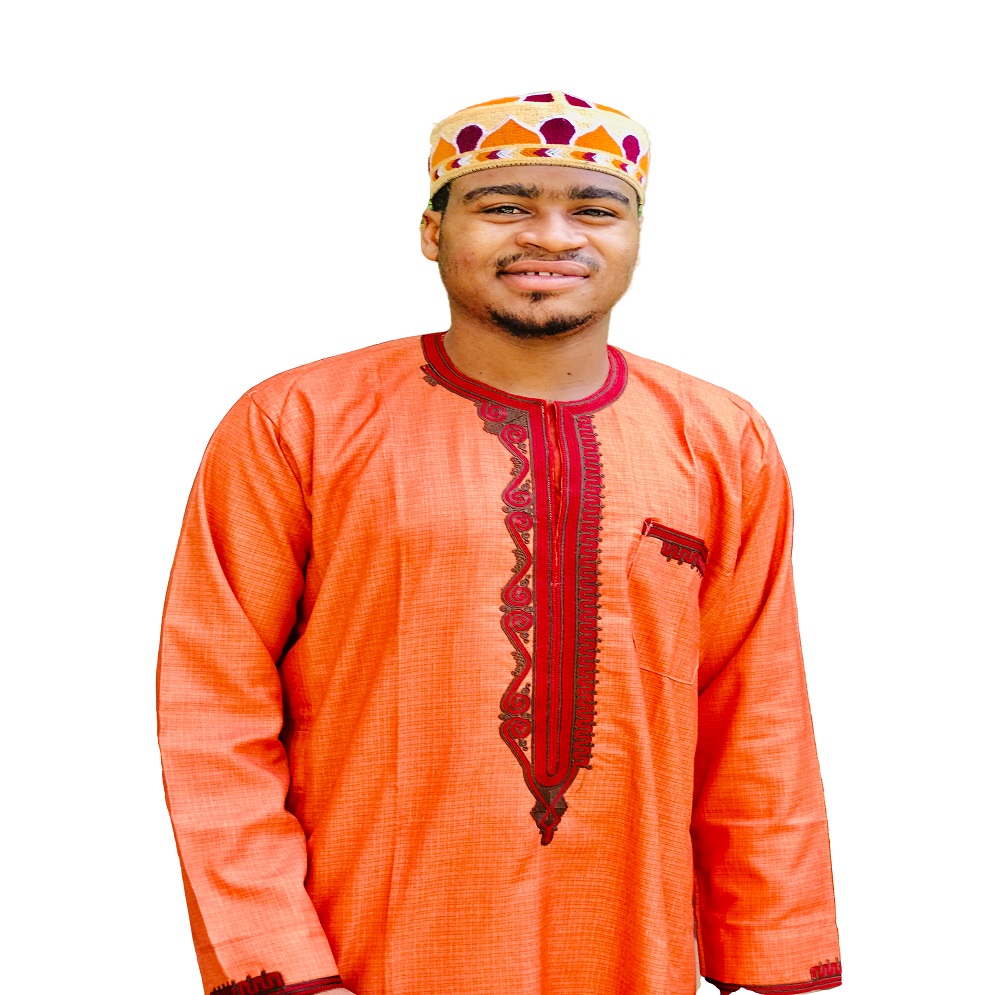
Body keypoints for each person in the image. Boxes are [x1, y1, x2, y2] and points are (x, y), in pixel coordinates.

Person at [157, 91, 842, 995]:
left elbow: (758, 716)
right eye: (505, 204)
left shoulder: (720, 439)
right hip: (368, 956)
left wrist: (772, 960)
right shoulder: (299, 422)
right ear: (432, 231)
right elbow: (213, 707)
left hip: (633, 953)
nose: (551, 236)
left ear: (637, 237)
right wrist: (276, 958)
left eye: (595, 209)